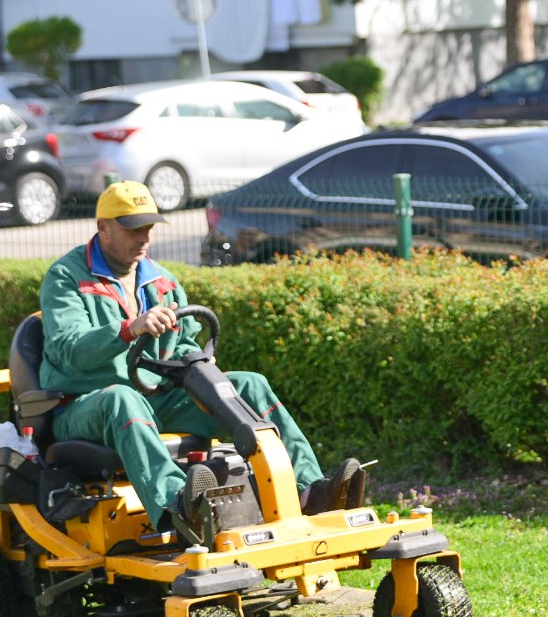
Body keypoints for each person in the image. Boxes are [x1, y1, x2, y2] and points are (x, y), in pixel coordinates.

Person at [40, 180, 363, 540]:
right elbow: (70, 348)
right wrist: (129, 329)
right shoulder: (66, 277)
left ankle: (312, 491)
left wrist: (196, 366)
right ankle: (180, 508)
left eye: (148, 227)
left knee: (249, 384)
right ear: (103, 227)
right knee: (122, 397)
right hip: (86, 406)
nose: (144, 238)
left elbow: (182, 344)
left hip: (155, 398)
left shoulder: (162, 281)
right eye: (133, 228)